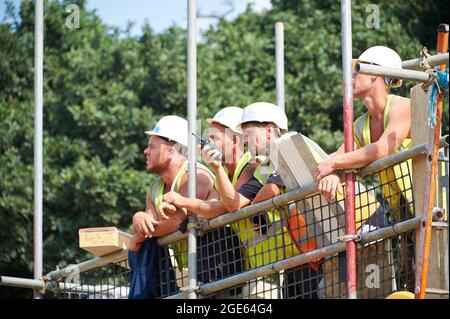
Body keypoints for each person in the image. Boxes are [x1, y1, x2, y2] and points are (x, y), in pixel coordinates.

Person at [313, 45, 414, 292]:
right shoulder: (361, 125)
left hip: (431, 201)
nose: (350, 78)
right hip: (405, 211)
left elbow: (382, 149)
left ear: (374, 74)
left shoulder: (403, 106)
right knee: (411, 279)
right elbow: (334, 158)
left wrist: (336, 165)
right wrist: (335, 173)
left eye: (356, 71)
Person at [129, 115, 242, 298]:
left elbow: (175, 223)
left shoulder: (195, 176)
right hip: (198, 267)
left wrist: (143, 231)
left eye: (152, 146)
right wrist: (139, 218)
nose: (145, 151)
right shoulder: (155, 188)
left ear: (171, 150)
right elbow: (149, 227)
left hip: (219, 262)